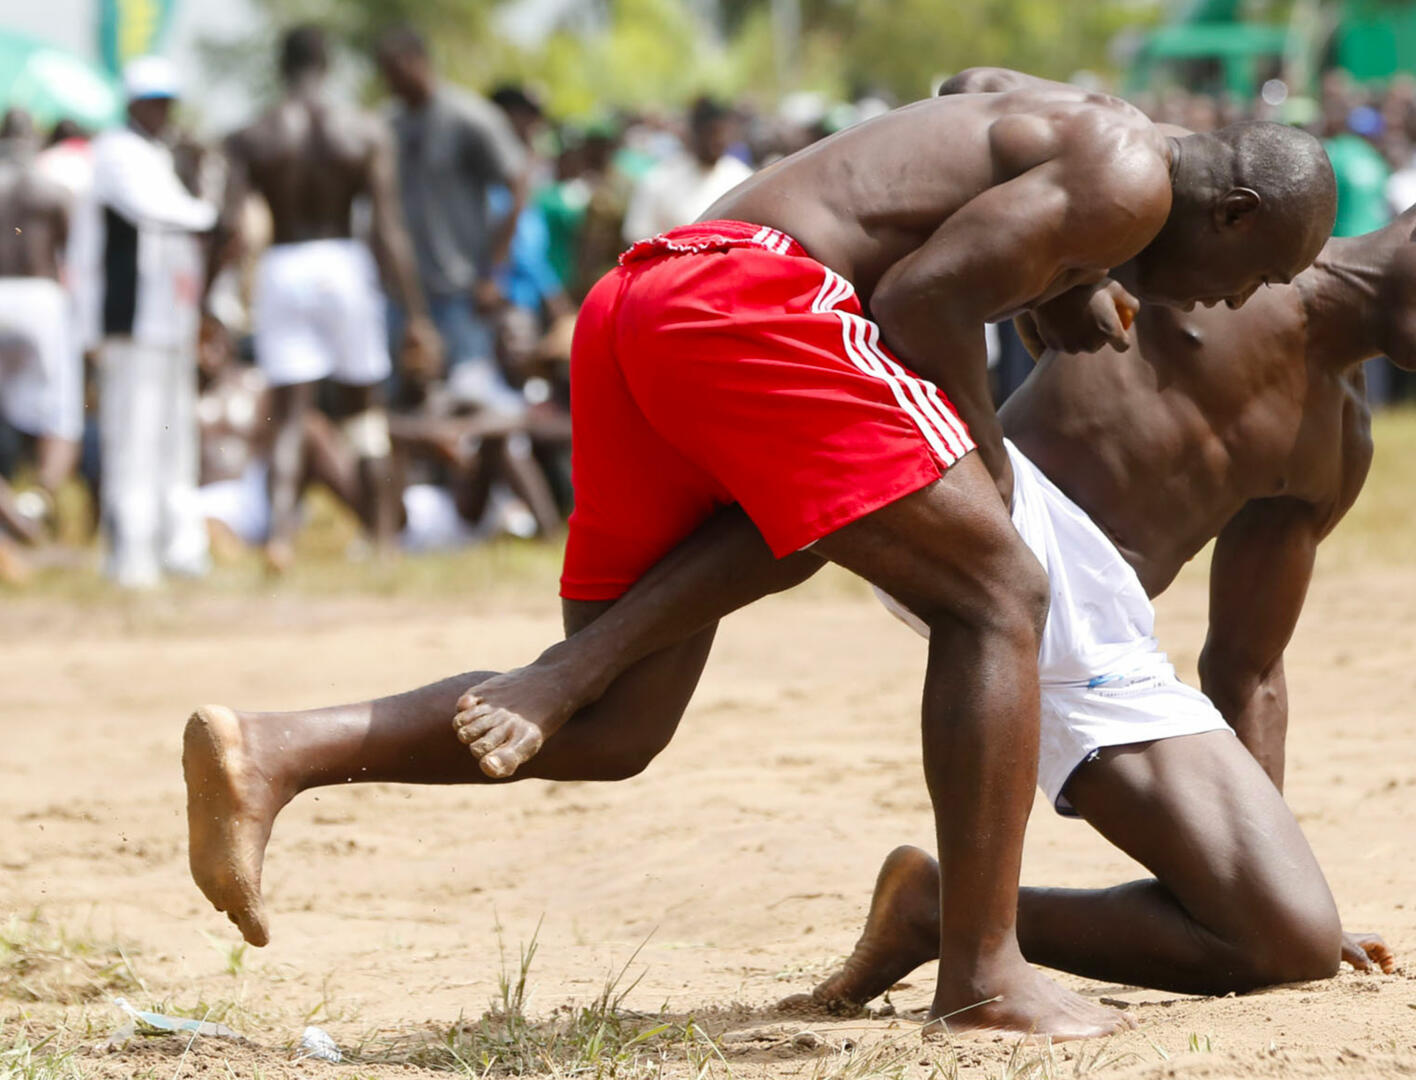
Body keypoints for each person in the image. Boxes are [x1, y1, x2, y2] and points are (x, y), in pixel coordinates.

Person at [183, 66, 1337, 1039]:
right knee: (998, 590)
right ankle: (985, 973)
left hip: (646, 299)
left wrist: (1056, 284)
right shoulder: (1134, 183)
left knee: (623, 725)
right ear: (1233, 212)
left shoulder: (1096, 126)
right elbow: (924, 298)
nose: (1237, 298)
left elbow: (960, 96)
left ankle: (278, 752)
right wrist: (985, 450)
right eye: (1256, 273)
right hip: (759, 299)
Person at [800, 177, 1416, 1005]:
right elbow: (1025, 146)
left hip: (1093, 621)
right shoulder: (1230, 231)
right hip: (981, 493)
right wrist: (1057, 286)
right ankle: (969, 940)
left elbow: (1247, 667)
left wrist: (1262, 870)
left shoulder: (1338, 446)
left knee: (1287, 936)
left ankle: (933, 910)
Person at [217, 25, 440, 571]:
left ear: (281, 66)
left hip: (283, 265)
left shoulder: (254, 133)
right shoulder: (363, 130)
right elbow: (388, 229)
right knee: (363, 410)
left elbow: (230, 226)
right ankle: (383, 541)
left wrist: (206, 296)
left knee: (289, 412)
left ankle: (280, 539)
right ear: (328, 64)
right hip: (345, 265)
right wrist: (415, 313)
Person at [71, 57, 219, 588]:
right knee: (132, 438)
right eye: (154, 102)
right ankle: (132, 554)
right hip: (129, 321)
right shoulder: (116, 151)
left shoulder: (163, 154)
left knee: (175, 437)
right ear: (133, 103)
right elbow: (151, 207)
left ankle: (181, 547)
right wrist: (211, 211)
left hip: (171, 322)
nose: (163, 112)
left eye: (168, 103)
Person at [374, 27, 525, 403]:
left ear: (417, 62)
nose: (390, 82)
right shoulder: (388, 125)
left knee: (467, 395)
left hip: (461, 290)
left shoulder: (467, 117)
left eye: (395, 71)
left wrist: (493, 271)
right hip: (405, 295)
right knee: (403, 397)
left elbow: (519, 183)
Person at [0, 109, 81, 537]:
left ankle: (13, 510)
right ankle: (38, 501)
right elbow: (76, 253)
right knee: (61, 414)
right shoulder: (52, 189)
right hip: (40, 298)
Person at [620, 96, 755, 242]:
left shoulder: (742, 179)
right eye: (710, 134)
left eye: (722, 134)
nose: (717, 142)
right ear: (693, 134)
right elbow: (637, 233)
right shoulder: (660, 179)